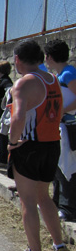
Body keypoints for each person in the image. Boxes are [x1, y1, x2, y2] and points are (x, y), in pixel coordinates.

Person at [7, 39, 73, 251]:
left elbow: (18, 117)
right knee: (44, 197)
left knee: (28, 201)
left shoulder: (24, 83)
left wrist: (12, 142)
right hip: (51, 144)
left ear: (17, 59)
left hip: (30, 146)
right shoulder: (52, 79)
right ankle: (59, 245)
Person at [44, 39, 76, 222]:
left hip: (69, 126)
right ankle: (57, 202)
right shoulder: (60, 74)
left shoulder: (68, 74)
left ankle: (68, 207)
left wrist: (62, 111)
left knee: (68, 167)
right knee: (58, 166)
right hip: (61, 126)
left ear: (49, 57)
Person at [0, 61, 14, 164]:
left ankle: (3, 157)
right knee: (0, 135)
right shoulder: (1, 80)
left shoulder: (5, 81)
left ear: (1, 70)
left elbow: (10, 90)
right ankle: (1, 154)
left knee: (2, 135)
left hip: (1, 112)